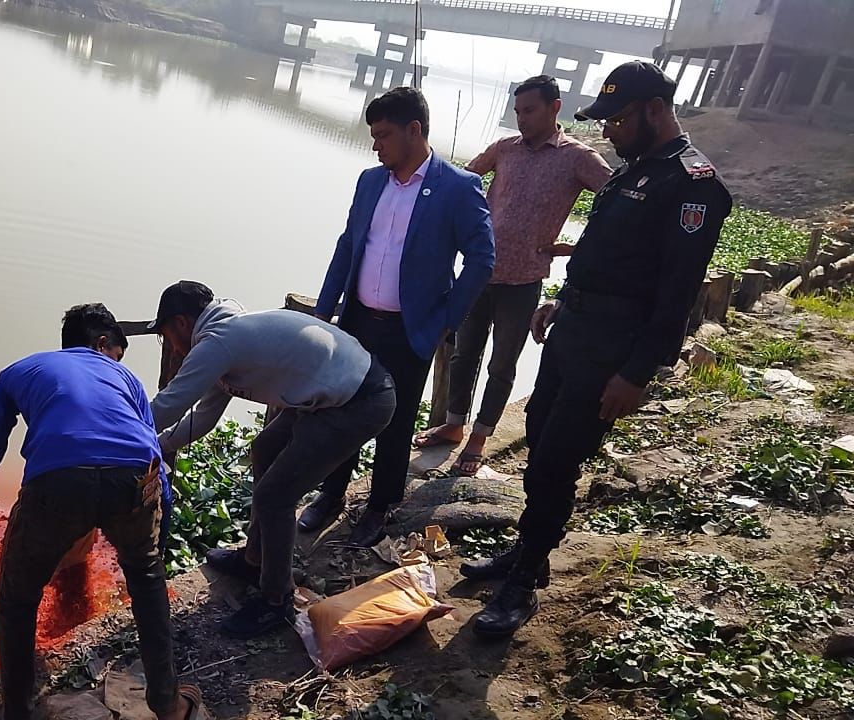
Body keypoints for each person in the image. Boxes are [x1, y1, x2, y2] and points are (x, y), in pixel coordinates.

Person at [469, 61, 732, 638]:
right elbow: (599, 254)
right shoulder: (631, 171)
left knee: (560, 455)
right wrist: (560, 302)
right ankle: (525, 554)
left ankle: (523, 582)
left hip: (612, 350)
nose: (607, 129)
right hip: (574, 332)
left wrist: (638, 373)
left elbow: (677, 293)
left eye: (617, 118)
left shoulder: (692, 186)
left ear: (654, 111)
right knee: (539, 435)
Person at [0, 304, 203, 720]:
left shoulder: (20, 371)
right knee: (146, 583)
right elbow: (158, 467)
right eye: (117, 354)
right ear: (103, 343)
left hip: (57, 483)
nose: (116, 364)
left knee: (17, 597)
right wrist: (153, 549)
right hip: (133, 479)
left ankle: (16, 710)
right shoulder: (126, 378)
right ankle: (167, 703)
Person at [148, 281, 396, 639]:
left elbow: (167, 405)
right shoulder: (224, 338)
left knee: (275, 496)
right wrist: (158, 444)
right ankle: (255, 560)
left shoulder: (218, 341)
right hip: (331, 391)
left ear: (182, 323)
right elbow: (201, 418)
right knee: (265, 449)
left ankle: (277, 599)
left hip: (359, 401)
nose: (170, 346)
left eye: (166, 335)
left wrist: (116, 437)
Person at [303, 86, 495, 547]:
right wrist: (326, 308)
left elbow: (482, 258)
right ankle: (331, 494)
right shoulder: (371, 181)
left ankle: (379, 505)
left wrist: (446, 319)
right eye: (373, 135)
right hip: (357, 321)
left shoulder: (457, 186)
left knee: (395, 419)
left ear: (415, 130)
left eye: (384, 134)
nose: (376, 145)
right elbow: (349, 244)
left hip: (409, 330)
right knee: (341, 409)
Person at [413, 75, 614, 476]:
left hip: (524, 281)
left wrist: (575, 247)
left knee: (502, 364)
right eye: (518, 111)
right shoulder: (505, 149)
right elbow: (465, 182)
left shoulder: (577, 157)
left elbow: (615, 205)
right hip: (479, 273)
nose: (521, 119)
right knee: (463, 353)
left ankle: (479, 437)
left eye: (530, 110)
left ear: (554, 108)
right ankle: (454, 425)